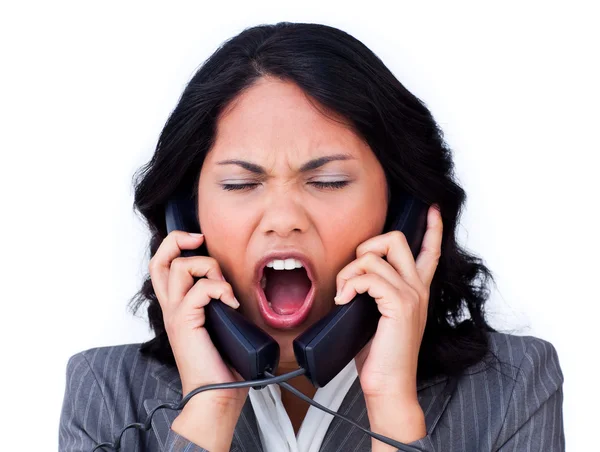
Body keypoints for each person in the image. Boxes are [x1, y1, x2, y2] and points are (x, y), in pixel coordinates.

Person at [58, 22, 565, 452]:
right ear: (185, 218)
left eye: (328, 182)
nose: (283, 218)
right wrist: (209, 407)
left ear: (403, 211)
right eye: (240, 184)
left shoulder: (515, 385)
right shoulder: (105, 391)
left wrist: (392, 407)